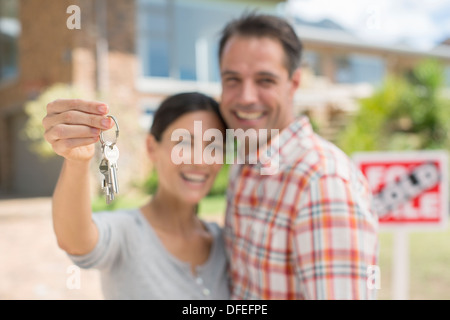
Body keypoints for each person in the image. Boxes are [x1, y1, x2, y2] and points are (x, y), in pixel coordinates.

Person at [217, 13, 379, 300]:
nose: (246, 96)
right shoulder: (246, 163)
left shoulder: (323, 182)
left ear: (294, 83)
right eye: (232, 79)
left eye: (265, 80)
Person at [42, 92, 230, 299]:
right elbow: (76, 241)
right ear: (151, 148)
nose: (201, 161)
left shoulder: (225, 244)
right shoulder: (126, 232)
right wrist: (77, 163)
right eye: (184, 144)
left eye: (214, 146)